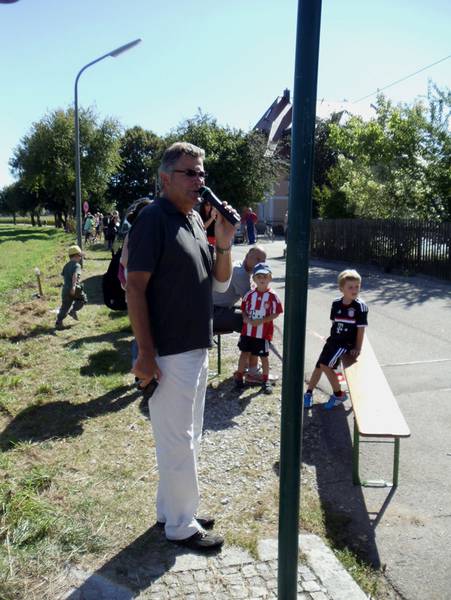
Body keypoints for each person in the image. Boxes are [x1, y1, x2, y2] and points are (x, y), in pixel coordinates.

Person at [126, 141, 236, 552]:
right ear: (165, 178)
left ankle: (172, 511)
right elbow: (135, 288)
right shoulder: (153, 219)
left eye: (202, 173)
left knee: (187, 438)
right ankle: (181, 526)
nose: (199, 180)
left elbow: (220, 283)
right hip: (169, 352)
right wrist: (146, 353)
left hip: (195, 347)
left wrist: (224, 241)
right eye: (190, 173)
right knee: (178, 442)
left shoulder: (192, 219)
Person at [303, 269, 368, 410]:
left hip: (345, 344)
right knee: (319, 365)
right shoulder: (336, 303)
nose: (354, 290)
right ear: (341, 289)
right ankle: (308, 393)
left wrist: (357, 347)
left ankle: (339, 394)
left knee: (325, 365)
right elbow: (335, 322)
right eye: (350, 287)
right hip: (333, 341)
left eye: (357, 286)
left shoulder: (360, 306)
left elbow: (361, 329)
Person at [213, 245, 271, 382]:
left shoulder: (242, 267)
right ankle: (252, 371)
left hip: (218, 308)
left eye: (263, 260)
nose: (260, 263)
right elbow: (252, 302)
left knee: (253, 319)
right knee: (254, 324)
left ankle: (247, 365)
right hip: (213, 313)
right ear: (247, 256)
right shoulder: (240, 274)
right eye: (257, 259)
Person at [233, 262, 283, 394]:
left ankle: (265, 380)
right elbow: (244, 310)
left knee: (264, 357)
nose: (262, 279)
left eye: (265, 276)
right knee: (244, 354)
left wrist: (262, 320)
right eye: (259, 276)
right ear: (254, 279)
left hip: (263, 334)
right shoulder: (249, 295)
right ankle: (239, 378)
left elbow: (277, 312)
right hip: (247, 332)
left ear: (270, 278)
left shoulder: (273, 296)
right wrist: (246, 318)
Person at [55, 245, 87, 330]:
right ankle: (73, 311)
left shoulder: (66, 265)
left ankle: (59, 322)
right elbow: (75, 275)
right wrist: (73, 287)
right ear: (76, 255)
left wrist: (68, 286)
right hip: (74, 288)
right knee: (83, 299)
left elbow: (64, 275)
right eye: (80, 255)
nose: (80, 257)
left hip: (65, 289)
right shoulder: (77, 265)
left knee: (65, 307)